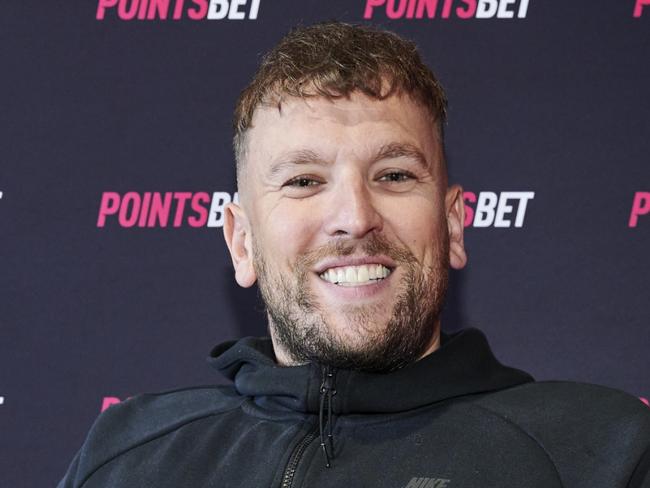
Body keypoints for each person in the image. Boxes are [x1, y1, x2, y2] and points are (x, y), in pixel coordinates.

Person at [59, 22, 650, 487]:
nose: (355, 218)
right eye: (303, 181)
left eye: (393, 175)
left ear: (453, 226)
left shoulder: (602, 452)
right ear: (242, 242)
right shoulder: (125, 455)